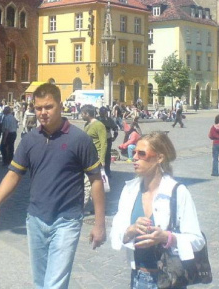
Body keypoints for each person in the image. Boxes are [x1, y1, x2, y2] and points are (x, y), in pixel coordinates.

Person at [0, 83, 105, 289]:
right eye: (38, 108)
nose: (43, 113)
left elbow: (96, 180)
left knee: (53, 285)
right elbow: (13, 174)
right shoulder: (30, 139)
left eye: (48, 107)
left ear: (60, 105)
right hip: (36, 219)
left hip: (67, 220)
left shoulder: (79, 139)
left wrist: (100, 223)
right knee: (40, 283)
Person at [110, 132, 205, 289]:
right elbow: (116, 232)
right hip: (138, 277)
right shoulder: (130, 190)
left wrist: (166, 237)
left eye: (142, 153)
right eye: (134, 152)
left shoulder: (177, 192)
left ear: (160, 157)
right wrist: (130, 230)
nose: (134, 158)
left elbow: (197, 240)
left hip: (169, 280)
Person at [81, 105, 108, 205]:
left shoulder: (99, 125)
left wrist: (102, 159)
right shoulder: (87, 124)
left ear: (87, 114)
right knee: (88, 183)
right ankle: (94, 204)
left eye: (82, 113)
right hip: (86, 158)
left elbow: (103, 142)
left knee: (89, 183)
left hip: (95, 159)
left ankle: (84, 206)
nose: (81, 115)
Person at [98, 107, 119, 178]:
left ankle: (107, 171)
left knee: (107, 155)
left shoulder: (109, 120)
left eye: (104, 112)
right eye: (101, 112)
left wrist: (115, 136)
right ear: (99, 112)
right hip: (98, 139)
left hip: (107, 138)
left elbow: (115, 128)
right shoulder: (96, 119)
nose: (103, 113)